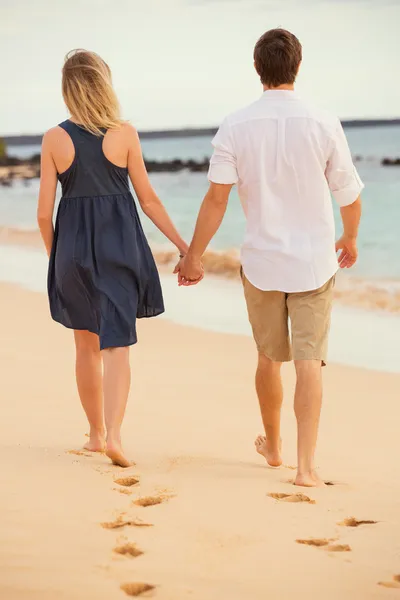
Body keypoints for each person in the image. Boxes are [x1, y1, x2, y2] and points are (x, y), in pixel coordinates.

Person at [177, 29, 363, 487]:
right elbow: (349, 193)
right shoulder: (323, 122)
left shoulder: (235, 125)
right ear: (297, 66)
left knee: (268, 358)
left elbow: (217, 200)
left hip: (262, 264)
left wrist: (193, 256)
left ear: (258, 69)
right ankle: (306, 468)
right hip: (314, 263)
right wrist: (351, 238)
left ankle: (274, 447)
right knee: (309, 361)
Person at [37, 49, 194, 468]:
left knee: (85, 346)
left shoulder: (54, 138)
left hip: (71, 251)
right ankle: (116, 437)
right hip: (119, 247)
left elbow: (42, 213)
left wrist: (58, 260)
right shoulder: (125, 134)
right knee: (117, 347)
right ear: (104, 84)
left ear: (69, 90)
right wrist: (186, 247)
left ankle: (94, 435)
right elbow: (149, 200)